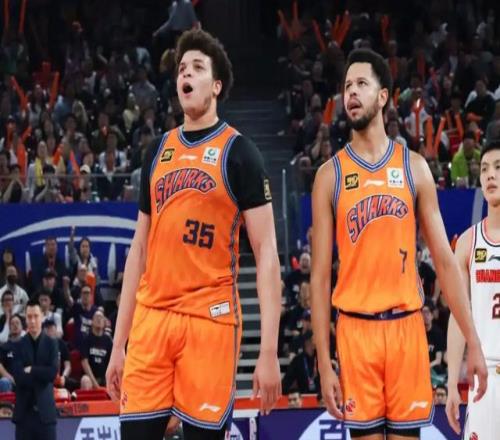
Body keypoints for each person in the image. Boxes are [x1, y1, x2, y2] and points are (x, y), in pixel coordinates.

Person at [106, 29, 282, 440]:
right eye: (182, 68)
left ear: (216, 86)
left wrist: (269, 350)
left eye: (197, 67)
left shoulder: (240, 153)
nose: (185, 73)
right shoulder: (158, 151)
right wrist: (118, 344)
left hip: (209, 320)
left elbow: (267, 252)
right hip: (151, 321)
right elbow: (138, 250)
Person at [310, 48, 487, 440]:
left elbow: (445, 261)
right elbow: (319, 278)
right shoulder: (329, 176)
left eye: (361, 84)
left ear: (383, 96)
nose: (351, 93)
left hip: (406, 327)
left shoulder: (414, 167)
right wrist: (324, 362)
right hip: (355, 330)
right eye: (347, 86)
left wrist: (473, 341)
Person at [446, 141, 500, 438]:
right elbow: (458, 316)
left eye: (498, 168)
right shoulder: (468, 243)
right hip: (484, 379)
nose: (491, 175)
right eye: (485, 169)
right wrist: (452, 381)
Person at [11, 300, 58, 440]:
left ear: (42, 316)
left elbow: (52, 374)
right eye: (29, 316)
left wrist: (31, 369)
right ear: (25, 318)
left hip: (46, 414)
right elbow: (19, 377)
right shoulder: (17, 345)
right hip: (24, 415)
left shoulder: (52, 344)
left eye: (36, 316)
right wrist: (42, 373)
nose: (32, 321)